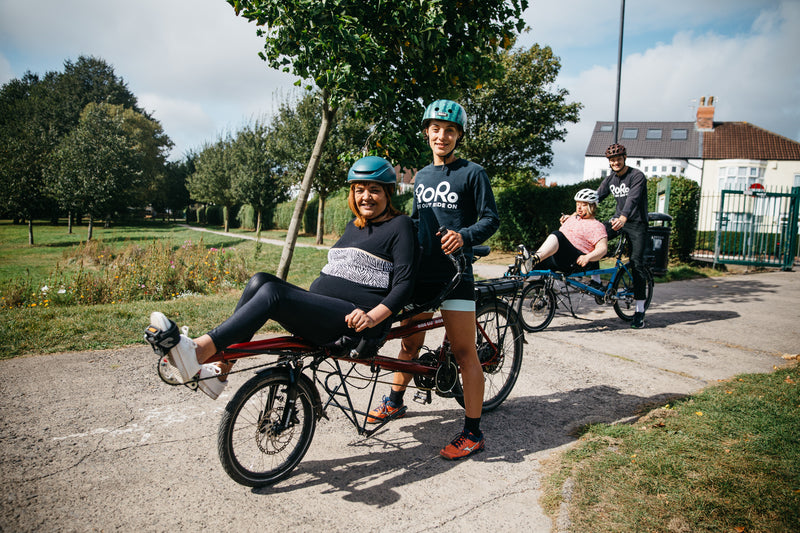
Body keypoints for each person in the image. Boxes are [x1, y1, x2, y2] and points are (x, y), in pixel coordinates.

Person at [145, 156, 417, 399]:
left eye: (375, 190)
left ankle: (199, 351)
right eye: (359, 190)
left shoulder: (399, 225)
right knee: (260, 281)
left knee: (273, 295)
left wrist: (372, 317)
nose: (366, 197)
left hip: (355, 324)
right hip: (324, 311)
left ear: (389, 193)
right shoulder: (354, 225)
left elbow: (404, 285)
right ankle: (220, 371)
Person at [366, 99, 500, 460]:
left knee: (463, 351)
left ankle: (473, 433)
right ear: (427, 132)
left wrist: (465, 236)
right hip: (424, 272)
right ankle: (395, 402)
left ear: (458, 136)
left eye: (451, 130)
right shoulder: (422, 176)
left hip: (456, 273)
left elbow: (491, 219)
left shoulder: (473, 173)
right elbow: (414, 222)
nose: (443, 136)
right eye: (436, 129)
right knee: (409, 345)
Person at [596, 143, 649, 328]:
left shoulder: (637, 176)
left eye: (618, 159)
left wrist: (624, 216)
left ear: (625, 158)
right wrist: (577, 214)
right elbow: (595, 197)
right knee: (595, 234)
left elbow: (633, 199)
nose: (615, 162)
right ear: (609, 162)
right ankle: (596, 283)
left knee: (637, 264)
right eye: (612, 160)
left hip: (636, 223)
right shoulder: (611, 179)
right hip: (619, 221)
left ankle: (640, 310)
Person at [525, 189, 608, 283]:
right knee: (524, 260)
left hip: (574, 261)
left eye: (583, 205)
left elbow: (603, 249)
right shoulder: (572, 218)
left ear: (592, 206)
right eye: (577, 204)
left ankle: (534, 259)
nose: (579, 208)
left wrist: (587, 257)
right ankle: (512, 284)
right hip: (558, 257)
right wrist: (568, 221)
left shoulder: (597, 225)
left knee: (557, 235)